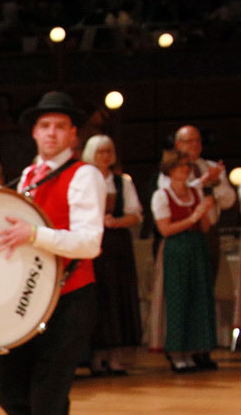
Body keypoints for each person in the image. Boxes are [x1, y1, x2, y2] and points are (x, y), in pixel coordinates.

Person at [0, 91, 106, 415]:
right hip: (33, 303)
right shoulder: (29, 175)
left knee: (48, 400)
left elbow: (89, 242)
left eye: (60, 126)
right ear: (35, 132)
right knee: (9, 392)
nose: (51, 133)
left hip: (72, 299)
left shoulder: (84, 176)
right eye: (44, 126)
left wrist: (34, 234)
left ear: (74, 134)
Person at [156, 125, 234, 370]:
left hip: (202, 239)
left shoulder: (204, 174)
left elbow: (226, 201)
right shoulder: (165, 187)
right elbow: (167, 225)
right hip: (178, 244)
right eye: (189, 142)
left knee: (202, 295)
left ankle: (200, 348)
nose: (194, 147)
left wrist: (211, 188)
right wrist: (198, 207)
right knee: (179, 298)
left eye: (198, 141)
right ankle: (178, 351)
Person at [82, 135, 143, 375]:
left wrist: (116, 221)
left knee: (119, 297)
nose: (105, 156)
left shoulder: (122, 182)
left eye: (109, 151)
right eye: (100, 152)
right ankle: (97, 356)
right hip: (93, 244)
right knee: (99, 298)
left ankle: (116, 357)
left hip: (116, 245)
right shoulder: (85, 180)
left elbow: (136, 215)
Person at [151, 150, 215, 372]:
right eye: (180, 167)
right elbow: (165, 229)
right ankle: (176, 352)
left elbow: (205, 227)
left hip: (196, 248)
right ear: (170, 171)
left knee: (198, 297)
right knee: (177, 299)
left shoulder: (195, 192)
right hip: (176, 249)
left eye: (187, 167)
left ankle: (194, 349)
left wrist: (205, 212)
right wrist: (193, 217)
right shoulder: (162, 195)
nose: (185, 171)